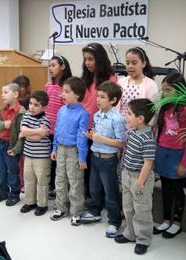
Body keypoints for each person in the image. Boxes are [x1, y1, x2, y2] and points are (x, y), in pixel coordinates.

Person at [153, 72, 186, 238]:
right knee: (165, 187)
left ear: (179, 90)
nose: (164, 94)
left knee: (177, 189)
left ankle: (176, 222)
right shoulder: (165, 106)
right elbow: (161, 131)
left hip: (177, 155)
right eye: (163, 90)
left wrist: (184, 164)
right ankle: (166, 220)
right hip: (162, 152)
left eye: (168, 90)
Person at [80, 81, 127, 238]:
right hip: (95, 157)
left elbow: (121, 143)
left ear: (113, 100)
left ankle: (114, 221)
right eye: (97, 96)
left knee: (110, 192)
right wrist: (92, 135)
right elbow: (97, 135)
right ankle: (95, 211)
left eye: (102, 97)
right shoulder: (97, 115)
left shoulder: (118, 119)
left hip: (108, 160)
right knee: (94, 188)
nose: (97, 100)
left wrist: (100, 139)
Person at [114, 98, 156, 255]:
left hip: (140, 178)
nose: (126, 116)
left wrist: (140, 183)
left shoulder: (148, 138)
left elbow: (148, 163)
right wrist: (123, 172)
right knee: (128, 207)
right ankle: (130, 233)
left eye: (129, 114)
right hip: (127, 175)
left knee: (142, 210)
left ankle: (143, 239)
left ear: (140, 119)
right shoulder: (133, 132)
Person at [50, 76, 89, 224]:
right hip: (60, 149)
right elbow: (57, 130)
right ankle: (61, 207)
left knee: (75, 181)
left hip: (74, 151)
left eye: (67, 91)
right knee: (59, 179)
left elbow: (82, 137)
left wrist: (82, 158)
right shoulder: (61, 110)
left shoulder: (83, 113)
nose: (62, 94)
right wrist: (54, 148)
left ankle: (77, 211)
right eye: (63, 91)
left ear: (77, 94)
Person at [81, 42, 117, 198]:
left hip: (100, 130)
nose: (87, 62)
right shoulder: (86, 77)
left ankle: (99, 199)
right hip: (84, 127)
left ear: (99, 59)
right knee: (85, 165)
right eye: (85, 59)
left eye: (91, 59)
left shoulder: (110, 79)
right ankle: (90, 196)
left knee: (98, 168)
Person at [0, 82, 26, 206]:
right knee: (0, 170)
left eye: (5, 92)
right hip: (0, 144)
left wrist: (16, 149)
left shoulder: (21, 112)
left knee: (12, 171)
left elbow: (22, 135)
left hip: (11, 146)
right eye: (2, 93)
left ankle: (14, 194)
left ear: (15, 94)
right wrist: (3, 124)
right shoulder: (2, 110)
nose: (2, 96)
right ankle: (2, 191)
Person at [19, 91, 51, 216]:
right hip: (28, 155)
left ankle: (42, 204)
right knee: (29, 179)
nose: (31, 107)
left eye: (36, 105)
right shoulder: (26, 115)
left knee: (41, 180)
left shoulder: (45, 119)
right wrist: (36, 131)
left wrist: (26, 134)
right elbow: (23, 129)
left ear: (43, 107)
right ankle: (29, 202)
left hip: (41, 157)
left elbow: (39, 137)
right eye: (31, 104)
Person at [45, 55, 72, 200]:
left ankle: (58, 187)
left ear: (63, 67)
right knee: (50, 159)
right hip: (47, 129)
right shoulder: (48, 85)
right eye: (49, 65)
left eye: (53, 65)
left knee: (58, 162)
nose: (50, 68)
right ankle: (50, 185)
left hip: (59, 131)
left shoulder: (66, 88)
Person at [117, 47, 158, 120]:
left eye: (134, 63)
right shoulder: (121, 82)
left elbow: (152, 112)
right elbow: (115, 106)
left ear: (144, 63)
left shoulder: (151, 85)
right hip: (120, 126)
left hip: (140, 127)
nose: (130, 66)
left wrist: (143, 130)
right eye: (127, 63)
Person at [12, 75, 31, 192]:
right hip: (14, 134)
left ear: (28, 87)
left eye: (23, 86)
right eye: (18, 86)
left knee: (23, 161)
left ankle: (24, 183)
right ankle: (17, 181)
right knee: (16, 161)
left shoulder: (29, 101)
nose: (20, 89)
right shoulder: (13, 102)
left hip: (24, 135)